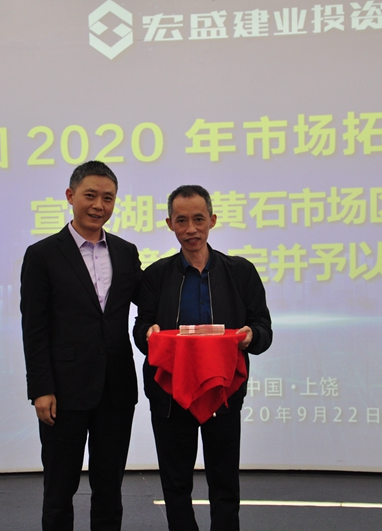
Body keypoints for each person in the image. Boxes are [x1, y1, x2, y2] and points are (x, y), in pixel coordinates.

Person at [133, 185, 272, 531]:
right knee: (175, 483)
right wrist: (148, 334)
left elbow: (263, 328)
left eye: (198, 219)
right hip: (170, 395)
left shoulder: (240, 272)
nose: (191, 229)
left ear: (212, 219)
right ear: (170, 224)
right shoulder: (155, 275)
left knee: (224, 483)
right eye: (181, 221)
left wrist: (251, 336)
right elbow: (140, 329)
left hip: (221, 392)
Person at [20, 160, 141, 531]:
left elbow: (149, 306)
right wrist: (41, 388)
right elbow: (34, 328)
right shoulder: (42, 255)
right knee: (60, 489)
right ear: (70, 196)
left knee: (109, 489)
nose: (99, 205)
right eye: (90, 195)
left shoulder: (126, 252)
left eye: (108, 198)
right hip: (63, 392)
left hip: (116, 390)